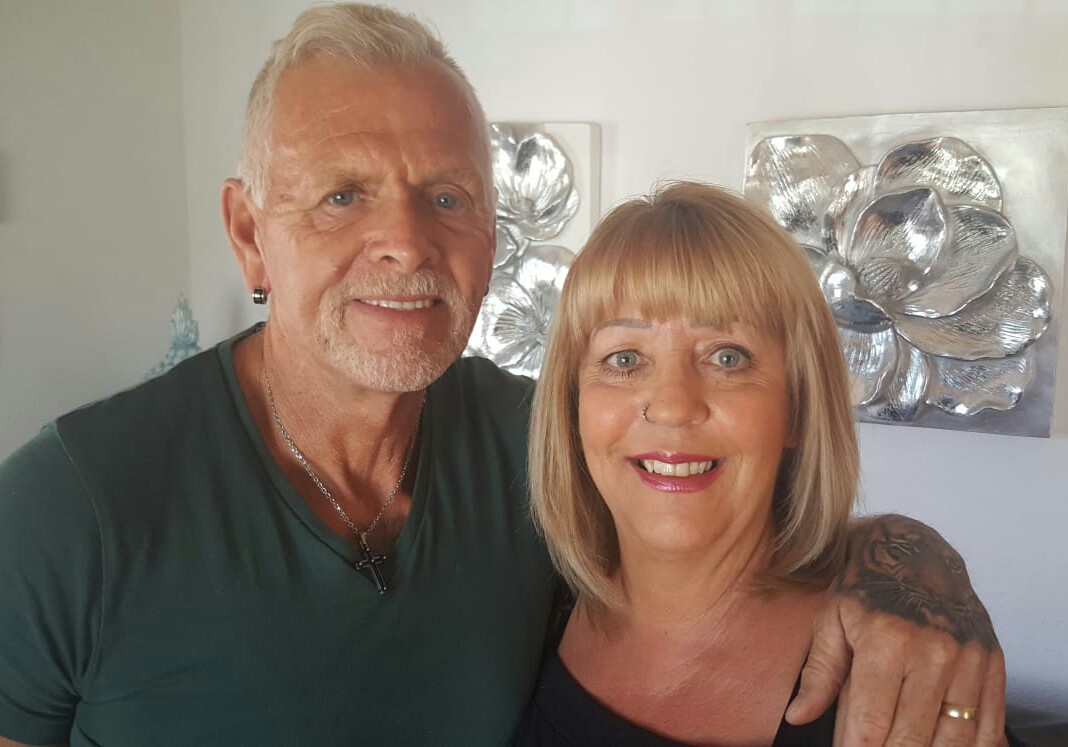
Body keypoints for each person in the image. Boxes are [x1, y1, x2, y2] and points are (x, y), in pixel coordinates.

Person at [0, 4, 1003, 746]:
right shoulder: (70, 503)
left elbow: (706, 510)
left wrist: (916, 566)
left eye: (445, 195)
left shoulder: (543, 447)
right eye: (343, 196)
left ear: (489, 229)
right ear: (248, 234)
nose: (403, 241)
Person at [515, 181, 1017, 746]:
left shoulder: (890, 677)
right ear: (572, 403)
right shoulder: (528, 603)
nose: (674, 407)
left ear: (798, 408)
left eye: (727, 357)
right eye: (624, 358)